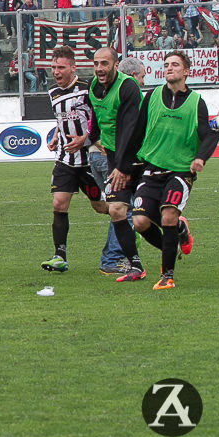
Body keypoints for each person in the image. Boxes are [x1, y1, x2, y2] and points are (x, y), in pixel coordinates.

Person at [118, 51, 218, 290]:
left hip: (181, 172)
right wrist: (124, 166)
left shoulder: (197, 102)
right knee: (140, 222)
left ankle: (167, 276)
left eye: (175, 65)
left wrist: (201, 158)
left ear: (186, 71)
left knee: (168, 215)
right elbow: (137, 133)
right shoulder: (151, 97)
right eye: (166, 65)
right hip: (152, 169)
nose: (169, 68)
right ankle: (172, 244)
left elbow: (208, 134)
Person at [38, 47, 110, 273]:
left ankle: (130, 219)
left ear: (72, 67)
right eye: (53, 68)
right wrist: (56, 137)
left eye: (61, 67)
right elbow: (62, 120)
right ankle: (60, 256)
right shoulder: (52, 92)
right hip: (65, 159)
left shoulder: (88, 90)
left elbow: (99, 120)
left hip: (88, 159)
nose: (56, 72)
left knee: (100, 207)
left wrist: (85, 139)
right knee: (59, 203)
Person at [87, 48, 148, 283]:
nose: (99, 68)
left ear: (115, 65)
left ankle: (176, 228)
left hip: (136, 156)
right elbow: (97, 117)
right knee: (117, 209)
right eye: (96, 64)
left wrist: (122, 166)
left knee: (144, 212)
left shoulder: (128, 88)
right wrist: (90, 139)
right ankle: (134, 265)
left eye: (104, 63)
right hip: (114, 157)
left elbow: (131, 131)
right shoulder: (94, 86)